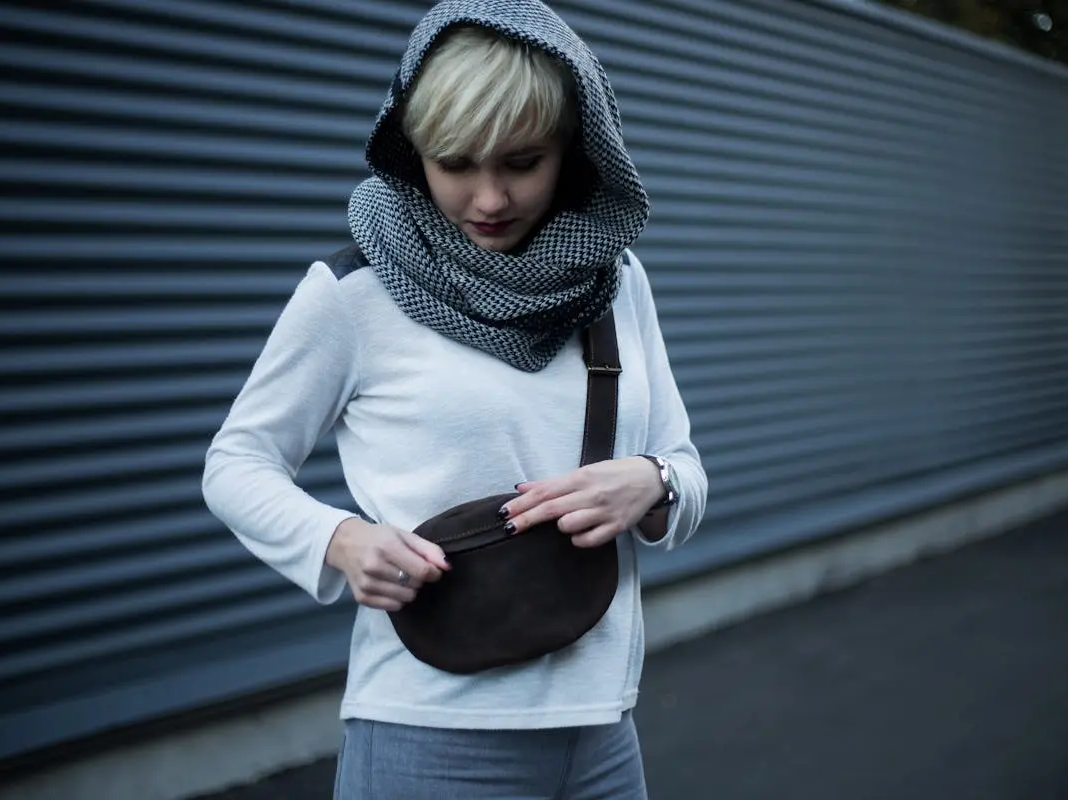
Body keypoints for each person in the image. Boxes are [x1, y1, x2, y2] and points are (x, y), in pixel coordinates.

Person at [202, 0, 706, 796]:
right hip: (429, 733)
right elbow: (236, 461)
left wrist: (654, 483)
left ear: (574, 152)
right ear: (413, 152)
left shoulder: (614, 283)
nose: (490, 197)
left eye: (522, 161)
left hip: (603, 731)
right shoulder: (355, 294)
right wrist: (339, 539)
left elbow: (683, 464)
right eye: (456, 163)